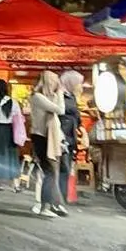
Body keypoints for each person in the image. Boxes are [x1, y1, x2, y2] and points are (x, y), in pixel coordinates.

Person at [29, 70, 67, 217]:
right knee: (49, 171)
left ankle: (53, 204)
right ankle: (45, 206)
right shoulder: (37, 97)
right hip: (41, 137)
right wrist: (60, 94)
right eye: (54, 82)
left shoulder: (43, 97)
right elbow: (60, 109)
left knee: (51, 171)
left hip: (47, 137)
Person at [58, 70, 84, 205]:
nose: (81, 87)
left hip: (70, 137)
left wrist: (81, 129)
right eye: (79, 84)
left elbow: (77, 117)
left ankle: (61, 198)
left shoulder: (71, 97)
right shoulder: (60, 96)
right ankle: (59, 200)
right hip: (61, 137)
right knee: (63, 168)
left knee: (66, 169)